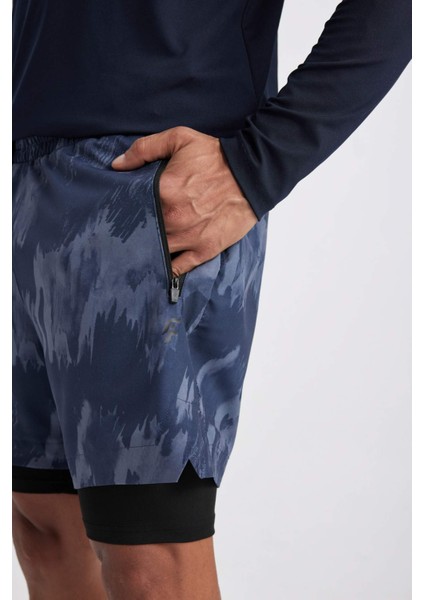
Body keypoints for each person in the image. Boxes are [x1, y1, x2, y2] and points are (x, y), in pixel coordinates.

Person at [12, 0, 411, 598]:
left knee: (151, 556)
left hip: (146, 187)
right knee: (44, 524)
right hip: (27, 168)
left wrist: (258, 162)